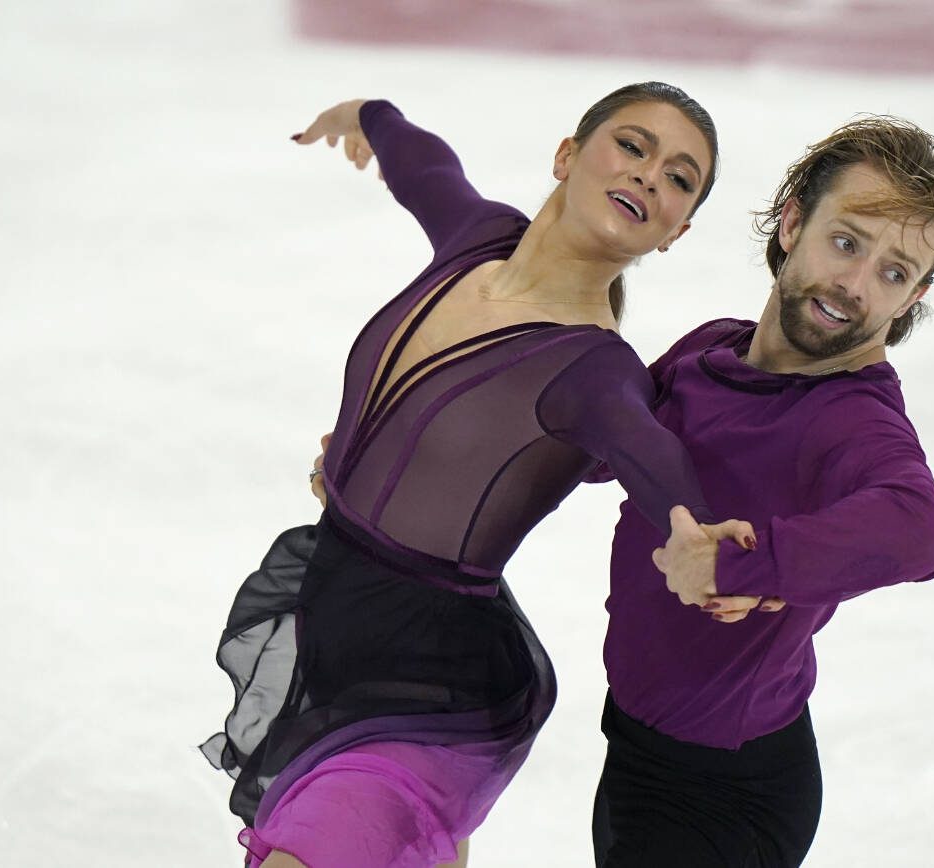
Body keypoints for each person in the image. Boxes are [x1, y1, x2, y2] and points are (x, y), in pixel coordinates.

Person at [201, 83, 755, 868]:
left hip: (436, 694)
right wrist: (370, 117)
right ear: (567, 156)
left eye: (678, 178)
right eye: (633, 146)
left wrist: (712, 549)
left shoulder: (596, 374)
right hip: (337, 634)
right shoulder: (478, 238)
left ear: (678, 230)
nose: (648, 176)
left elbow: (664, 477)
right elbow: (426, 166)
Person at [589, 116, 934, 866]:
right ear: (794, 220)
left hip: (724, 799)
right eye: (847, 241)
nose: (856, 285)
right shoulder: (709, 351)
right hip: (638, 754)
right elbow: (596, 449)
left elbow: (917, 530)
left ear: (913, 297)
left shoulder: (851, 417)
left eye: (894, 273)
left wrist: (742, 564)